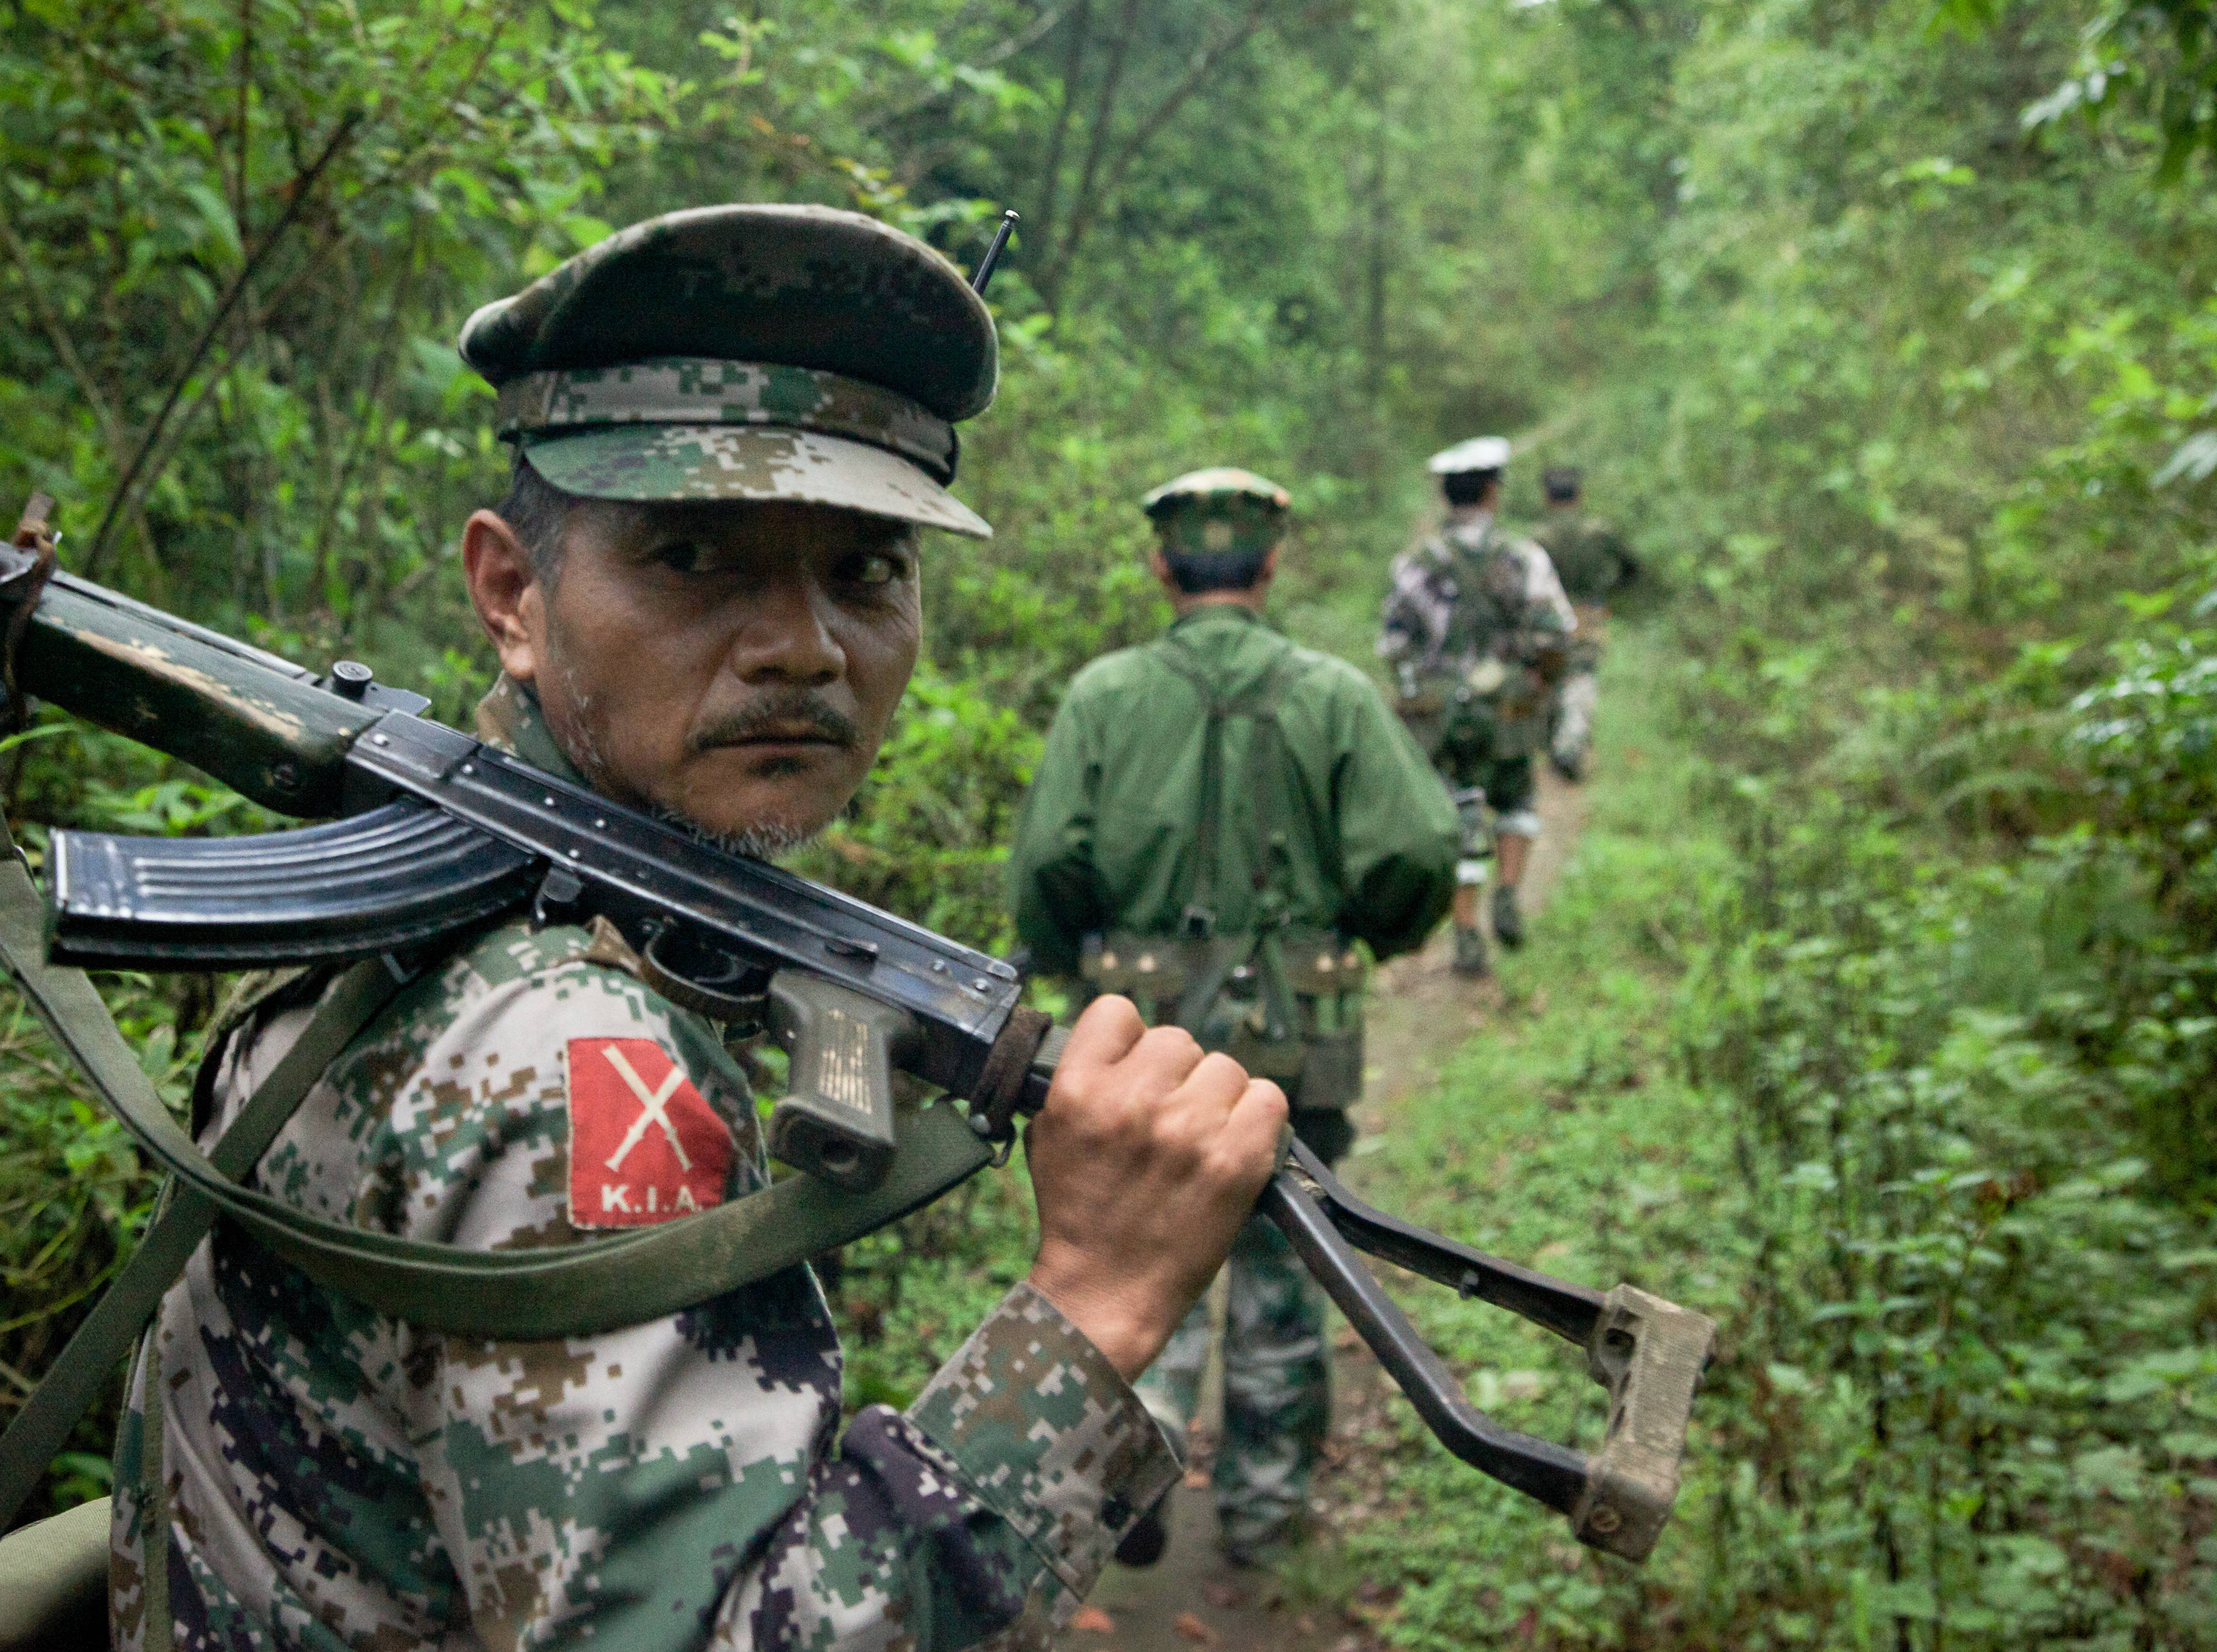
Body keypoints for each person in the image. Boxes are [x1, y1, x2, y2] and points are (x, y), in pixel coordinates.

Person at [109, 207, 1290, 1652]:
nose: (804, 644)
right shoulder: (581, 1055)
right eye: (692, 557)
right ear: (511, 594)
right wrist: (1094, 1308)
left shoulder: (454, 880)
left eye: (866, 569)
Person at [1007, 467, 1457, 1572]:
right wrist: (1362, 936)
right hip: (1296, 1025)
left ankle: (1133, 1469)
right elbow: (1417, 849)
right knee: (1284, 1258)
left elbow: (1049, 864)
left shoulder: (1104, 694)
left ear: (1161, 566)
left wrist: (1080, 965)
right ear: (1270, 564)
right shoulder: (1334, 694)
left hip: (1135, 1027)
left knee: (1137, 1249)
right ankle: (1261, 1511)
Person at [1377, 438, 1576, 979]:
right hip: (1510, 710)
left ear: (1446, 495)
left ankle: (1465, 931)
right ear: (1492, 491)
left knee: (1457, 813)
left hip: (1441, 718)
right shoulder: (1523, 557)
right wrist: (1538, 682)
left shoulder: (1415, 564)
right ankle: (1508, 895)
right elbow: (1557, 632)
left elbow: (1394, 643)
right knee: (1516, 801)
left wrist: (1423, 695)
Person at [1533, 465, 1640, 781]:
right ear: (1579, 495)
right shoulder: (1598, 533)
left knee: (1551, 674)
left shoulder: (1537, 538)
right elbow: (1632, 568)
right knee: (1581, 676)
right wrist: (1609, 591)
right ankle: (1571, 745)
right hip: (1588, 614)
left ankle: (1555, 741)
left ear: (1547, 498)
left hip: (1549, 615)